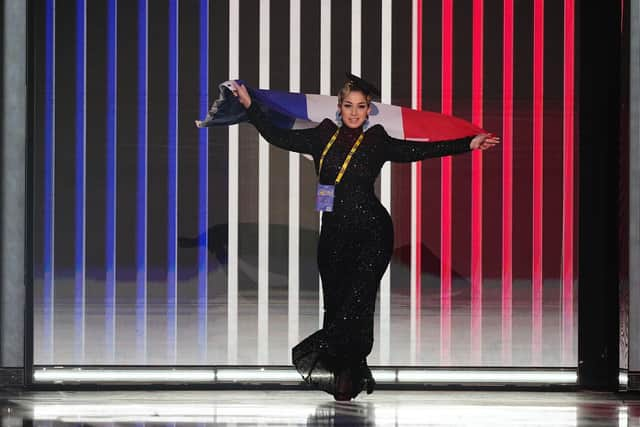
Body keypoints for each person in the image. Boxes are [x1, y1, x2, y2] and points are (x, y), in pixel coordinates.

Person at [230, 74, 500, 401]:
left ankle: (344, 376)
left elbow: (419, 150)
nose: (354, 112)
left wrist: (466, 144)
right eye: (348, 106)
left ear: (369, 110)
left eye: (361, 106)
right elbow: (277, 136)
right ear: (339, 107)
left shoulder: (377, 140)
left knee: (357, 305)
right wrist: (250, 107)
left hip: (372, 233)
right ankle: (347, 378)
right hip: (333, 236)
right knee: (338, 305)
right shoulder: (322, 136)